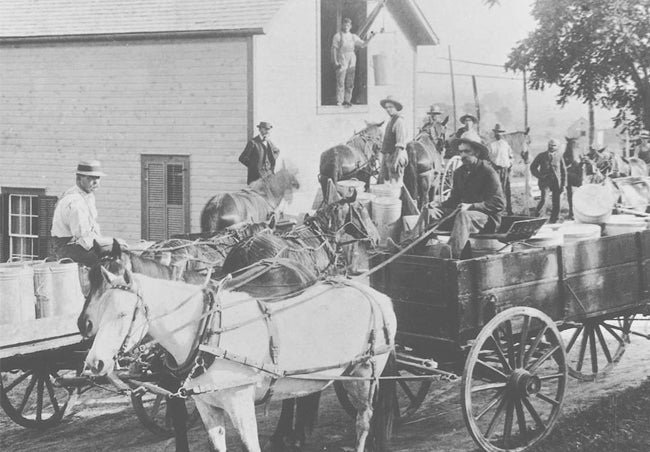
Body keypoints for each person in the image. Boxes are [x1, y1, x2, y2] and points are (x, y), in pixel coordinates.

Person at [427, 133, 505, 259]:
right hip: (462, 216)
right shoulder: (459, 172)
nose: (462, 155)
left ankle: (453, 254)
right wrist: (439, 204)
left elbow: (499, 203)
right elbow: (454, 199)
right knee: (430, 212)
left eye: (466, 151)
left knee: (463, 215)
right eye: (460, 152)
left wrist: (471, 206)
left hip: (487, 220)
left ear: (477, 152)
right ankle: (414, 247)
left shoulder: (488, 172)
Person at [51, 160, 115, 267]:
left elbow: (92, 227)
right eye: (90, 178)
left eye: (97, 178)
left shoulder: (87, 196)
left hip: (80, 243)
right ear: (79, 179)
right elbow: (82, 236)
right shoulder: (75, 201)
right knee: (108, 261)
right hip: (69, 248)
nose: (95, 182)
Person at [331, 18, 373, 107]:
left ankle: (347, 100)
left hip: (351, 59)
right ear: (342, 25)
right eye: (345, 25)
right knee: (341, 81)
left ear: (350, 26)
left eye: (348, 25)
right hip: (342, 58)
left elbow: (363, 44)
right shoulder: (338, 36)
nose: (346, 27)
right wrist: (335, 61)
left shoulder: (353, 36)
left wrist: (371, 37)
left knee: (350, 82)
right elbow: (334, 49)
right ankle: (340, 101)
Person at [530, 139, 566, 223]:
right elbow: (533, 167)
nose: (551, 147)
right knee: (544, 199)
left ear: (557, 147)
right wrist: (540, 176)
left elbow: (564, 171)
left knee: (556, 201)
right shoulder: (541, 156)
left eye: (554, 145)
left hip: (556, 183)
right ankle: (537, 217)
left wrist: (563, 184)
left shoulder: (560, 156)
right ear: (548, 145)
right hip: (545, 182)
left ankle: (554, 219)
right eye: (550, 145)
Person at [379, 96, 408, 185]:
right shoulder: (390, 121)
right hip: (389, 156)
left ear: (396, 108)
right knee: (385, 183)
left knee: (394, 184)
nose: (388, 109)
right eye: (386, 108)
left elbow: (400, 145)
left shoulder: (399, 121)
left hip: (397, 156)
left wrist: (395, 162)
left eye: (390, 107)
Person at [488, 124, 514, 215]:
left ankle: (509, 210)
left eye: (500, 132)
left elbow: (511, 155)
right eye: (497, 132)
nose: (498, 134)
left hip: (506, 169)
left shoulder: (505, 144)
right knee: (497, 190)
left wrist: (510, 164)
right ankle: (498, 210)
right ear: (494, 133)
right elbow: (489, 158)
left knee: (507, 190)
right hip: (496, 169)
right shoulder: (491, 144)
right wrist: (493, 167)